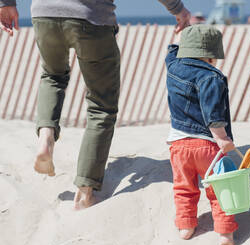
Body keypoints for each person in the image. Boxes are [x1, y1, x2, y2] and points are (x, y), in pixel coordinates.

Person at [0, 0, 190, 210]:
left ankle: (46, 134)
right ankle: (85, 189)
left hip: (44, 13)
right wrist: (178, 9)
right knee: (102, 105)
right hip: (90, 17)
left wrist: (6, 3)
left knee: (52, 76)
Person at [165, 25, 237, 245]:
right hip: (207, 146)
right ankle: (225, 233)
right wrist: (223, 139)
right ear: (211, 56)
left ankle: (186, 226)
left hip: (178, 145)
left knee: (184, 187)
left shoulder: (173, 64)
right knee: (218, 190)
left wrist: (185, 29)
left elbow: (172, 49)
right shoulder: (211, 78)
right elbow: (213, 115)